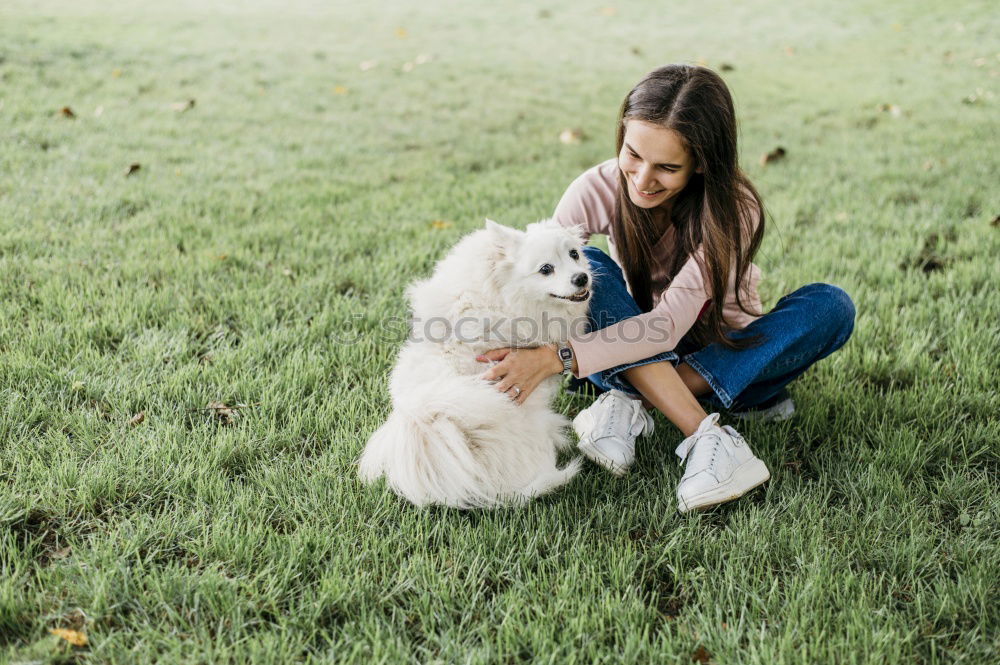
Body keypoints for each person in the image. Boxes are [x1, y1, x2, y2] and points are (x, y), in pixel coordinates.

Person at [476, 64, 855, 512]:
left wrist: (557, 359)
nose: (641, 179)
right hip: (622, 340)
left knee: (830, 306)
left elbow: (666, 329)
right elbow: (546, 281)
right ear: (621, 135)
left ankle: (634, 403)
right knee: (586, 265)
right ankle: (695, 422)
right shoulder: (595, 188)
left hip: (708, 347)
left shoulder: (734, 209)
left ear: (701, 165)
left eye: (668, 167)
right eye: (633, 154)